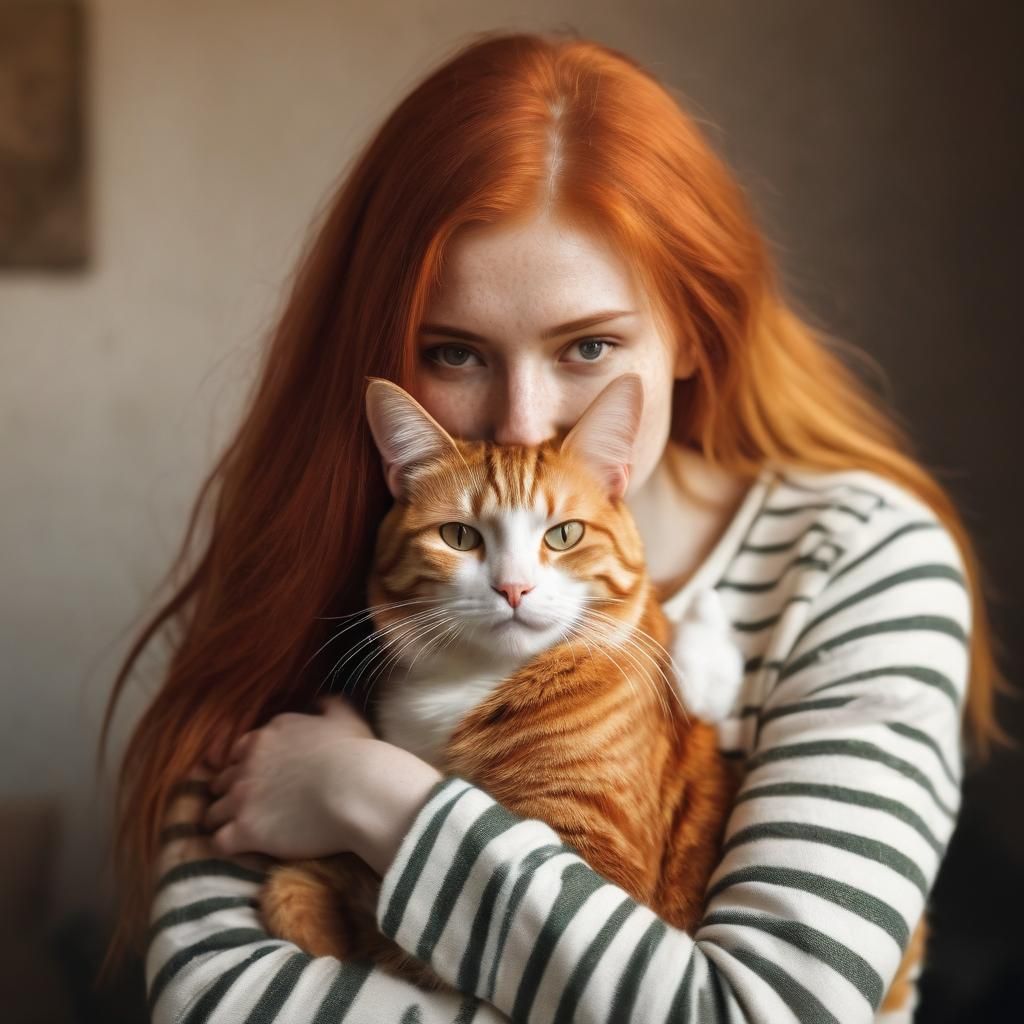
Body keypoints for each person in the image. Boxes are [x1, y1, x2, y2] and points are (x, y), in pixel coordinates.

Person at [102, 29, 1006, 1024]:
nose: (523, 422)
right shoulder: (322, 551)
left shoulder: (857, 559)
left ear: (693, 331)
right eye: (453, 353)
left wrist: (372, 800)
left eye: (586, 345)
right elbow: (217, 1000)